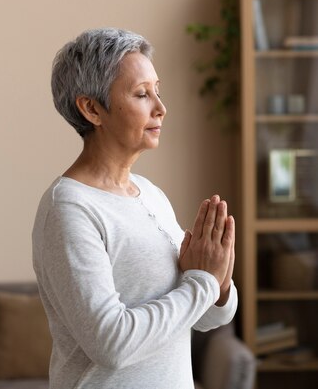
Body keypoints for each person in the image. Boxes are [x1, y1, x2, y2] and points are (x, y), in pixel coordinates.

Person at [32, 28, 237, 389]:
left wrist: (219, 283)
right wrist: (203, 282)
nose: (161, 107)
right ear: (92, 108)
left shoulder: (150, 194)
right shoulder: (69, 210)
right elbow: (112, 344)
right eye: (142, 94)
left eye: (157, 91)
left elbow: (203, 317)